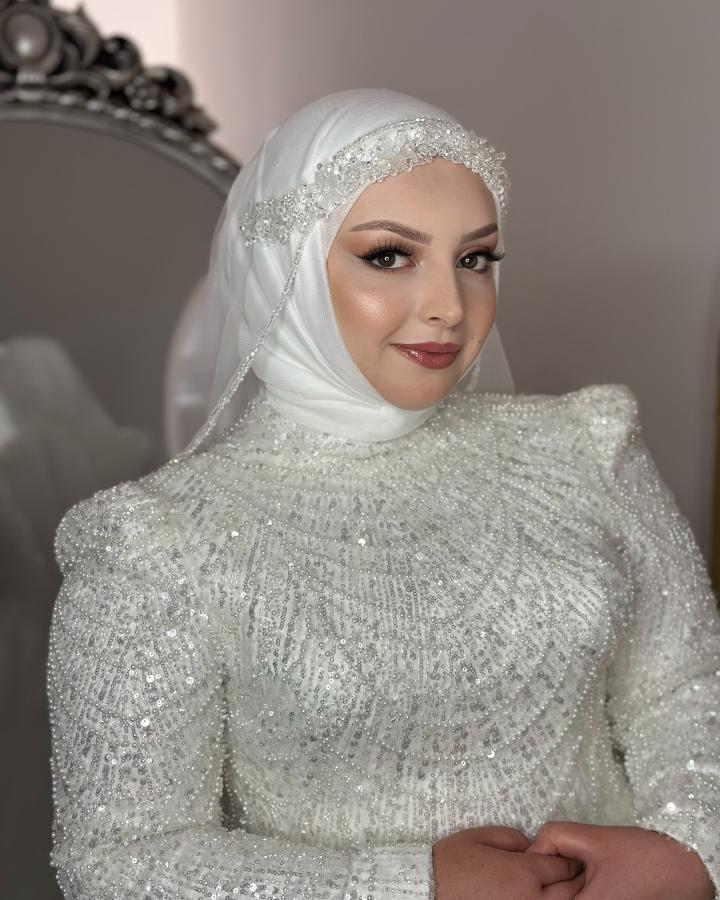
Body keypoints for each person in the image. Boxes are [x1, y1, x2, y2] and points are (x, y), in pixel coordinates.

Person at [46, 88, 720, 900]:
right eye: (390, 256)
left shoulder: (586, 448)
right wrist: (411, 885)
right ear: (286, 265)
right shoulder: (155, 541)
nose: (448, 307)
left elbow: (685, 689)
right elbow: (119, 860)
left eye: (475, 259)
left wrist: (694, 852)